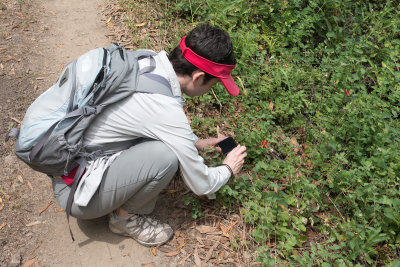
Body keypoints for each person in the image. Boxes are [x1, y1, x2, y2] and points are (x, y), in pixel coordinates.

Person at [52, 23, 247, 247]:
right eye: (213, 85)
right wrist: (228, 168)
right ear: (198, 77)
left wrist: (197, 143)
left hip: (65, 162)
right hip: (76, 194)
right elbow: (202, 184)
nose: (210, 91)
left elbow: (144, 119)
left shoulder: (147, 61)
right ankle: (124, 220)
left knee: (166, 146)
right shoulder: (164, 108)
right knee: (167, 156)